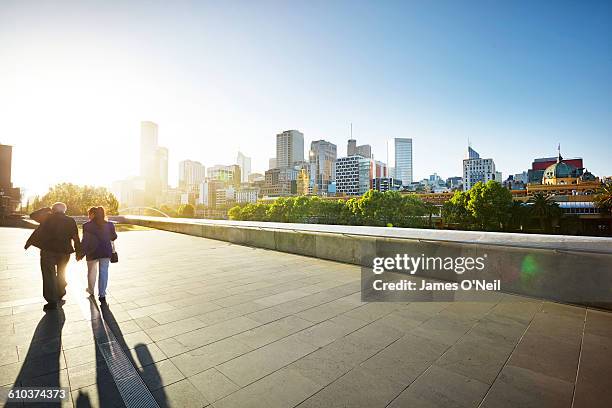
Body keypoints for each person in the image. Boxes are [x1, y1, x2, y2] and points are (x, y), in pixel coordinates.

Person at [30, 202, 83, 311]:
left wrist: (47, 208)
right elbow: (75, 237)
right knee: (62, 272)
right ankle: (60, 292)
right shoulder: (70, 220)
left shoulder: (46, 217)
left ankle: (52, 301)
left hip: (48, 251)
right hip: (64, 252)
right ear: (64, 210)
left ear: (53, 210)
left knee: (49, 275)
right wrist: (79, 252)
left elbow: (32, 215)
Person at [82, 206, 117, 303]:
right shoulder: (109, 224)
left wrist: (81, 252)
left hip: (91, 252)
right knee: (104, 272)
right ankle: (102, 294)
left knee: (91, 272)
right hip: (106, 251)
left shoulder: (87, 225)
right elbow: (113, 237)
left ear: (94, 214)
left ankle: (91, 290)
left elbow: (85, 240)